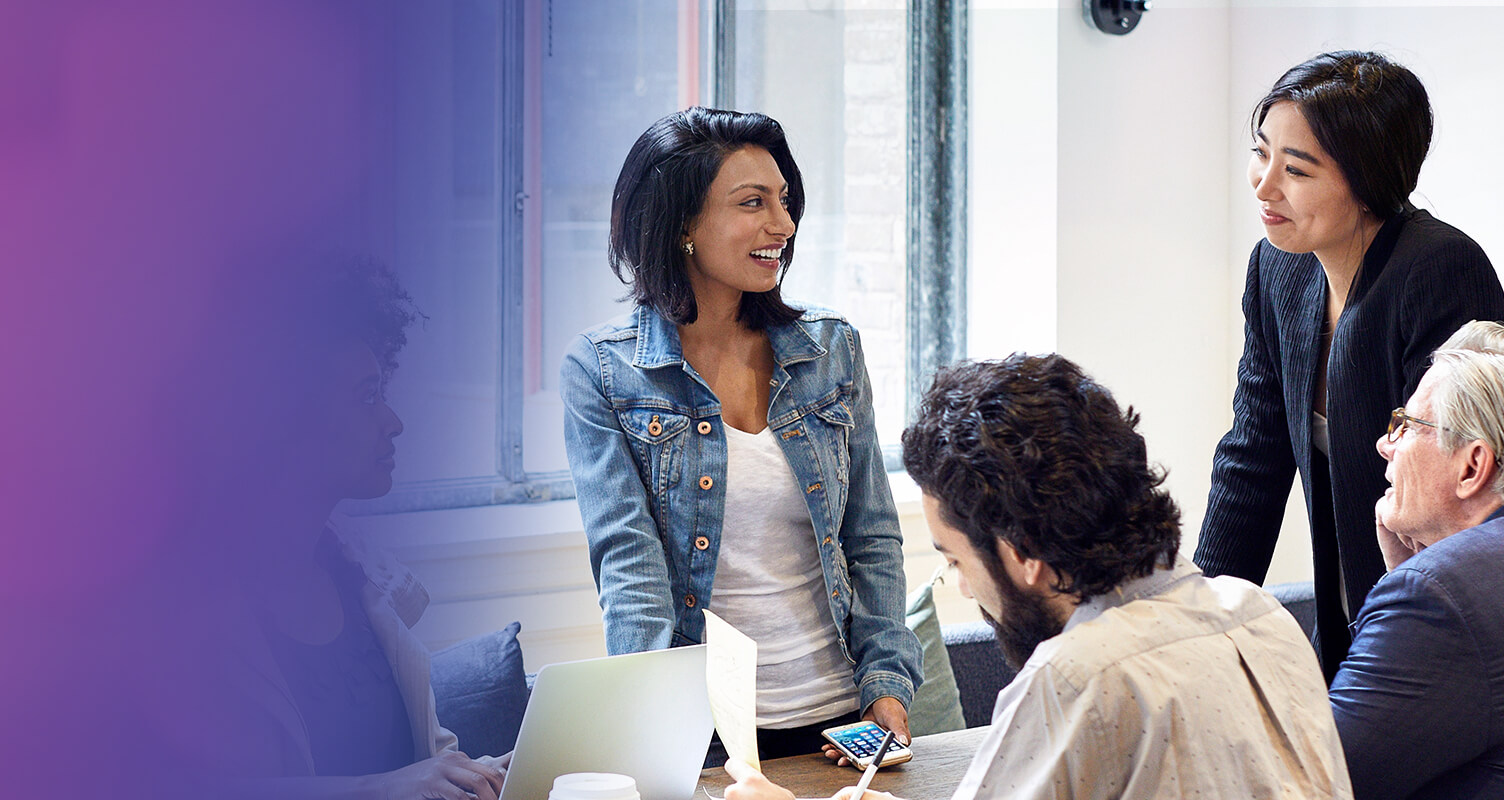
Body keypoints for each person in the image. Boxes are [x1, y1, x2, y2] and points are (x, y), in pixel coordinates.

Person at [723, 353, 1351, 800]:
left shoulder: (1078, 677)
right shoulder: (1260, 618)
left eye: (956, 561)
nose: (963, 587)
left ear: (1022, 552)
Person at [561, 107, 920, 761]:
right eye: (753, 203)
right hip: (701, 733)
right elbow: (629, 569)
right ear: (681, 225)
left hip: (840, 724)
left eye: (783, 200)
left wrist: (887, 686)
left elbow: (871, 537)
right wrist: (646, 729)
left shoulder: (831, 350)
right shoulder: (604, 372)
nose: (783, 224)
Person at [1196, 50, 1504, 677]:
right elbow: (1253, 457)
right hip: (1345, 621)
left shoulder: (1440, 270)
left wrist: (1394, 638)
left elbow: (1454, 498)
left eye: (1296, 170)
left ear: (1366, 181)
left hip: (1440, 623)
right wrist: (1195, 629)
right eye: (1260, 153)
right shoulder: (1277, 265)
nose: (1264, 186)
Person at [208, 261, 509, 800]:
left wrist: (474, 776)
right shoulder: (185, 611)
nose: (393, 421)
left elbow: (422, 765)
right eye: (367, 396)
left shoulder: (368, 578)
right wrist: (385, 788)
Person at [1329, 320, 1504, 799]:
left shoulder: (1435, 597)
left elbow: (1318, 776)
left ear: (1472, 467)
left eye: (1406, 426)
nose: (1385, 444)